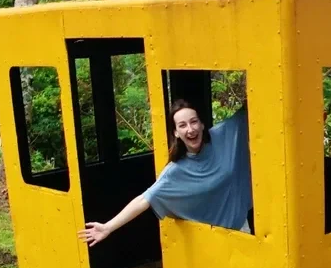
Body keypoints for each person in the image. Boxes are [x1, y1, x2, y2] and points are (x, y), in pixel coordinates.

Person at [77, 99, 252, 246]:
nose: (190, 129)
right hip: (211, 242)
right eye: (182, 125)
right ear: (176, 132)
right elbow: (144, 199)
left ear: (202, 123)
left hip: (243, 231)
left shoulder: (224, 135)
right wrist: (108, 227)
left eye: (193, 121)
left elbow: (250, 107)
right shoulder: (175, 171)